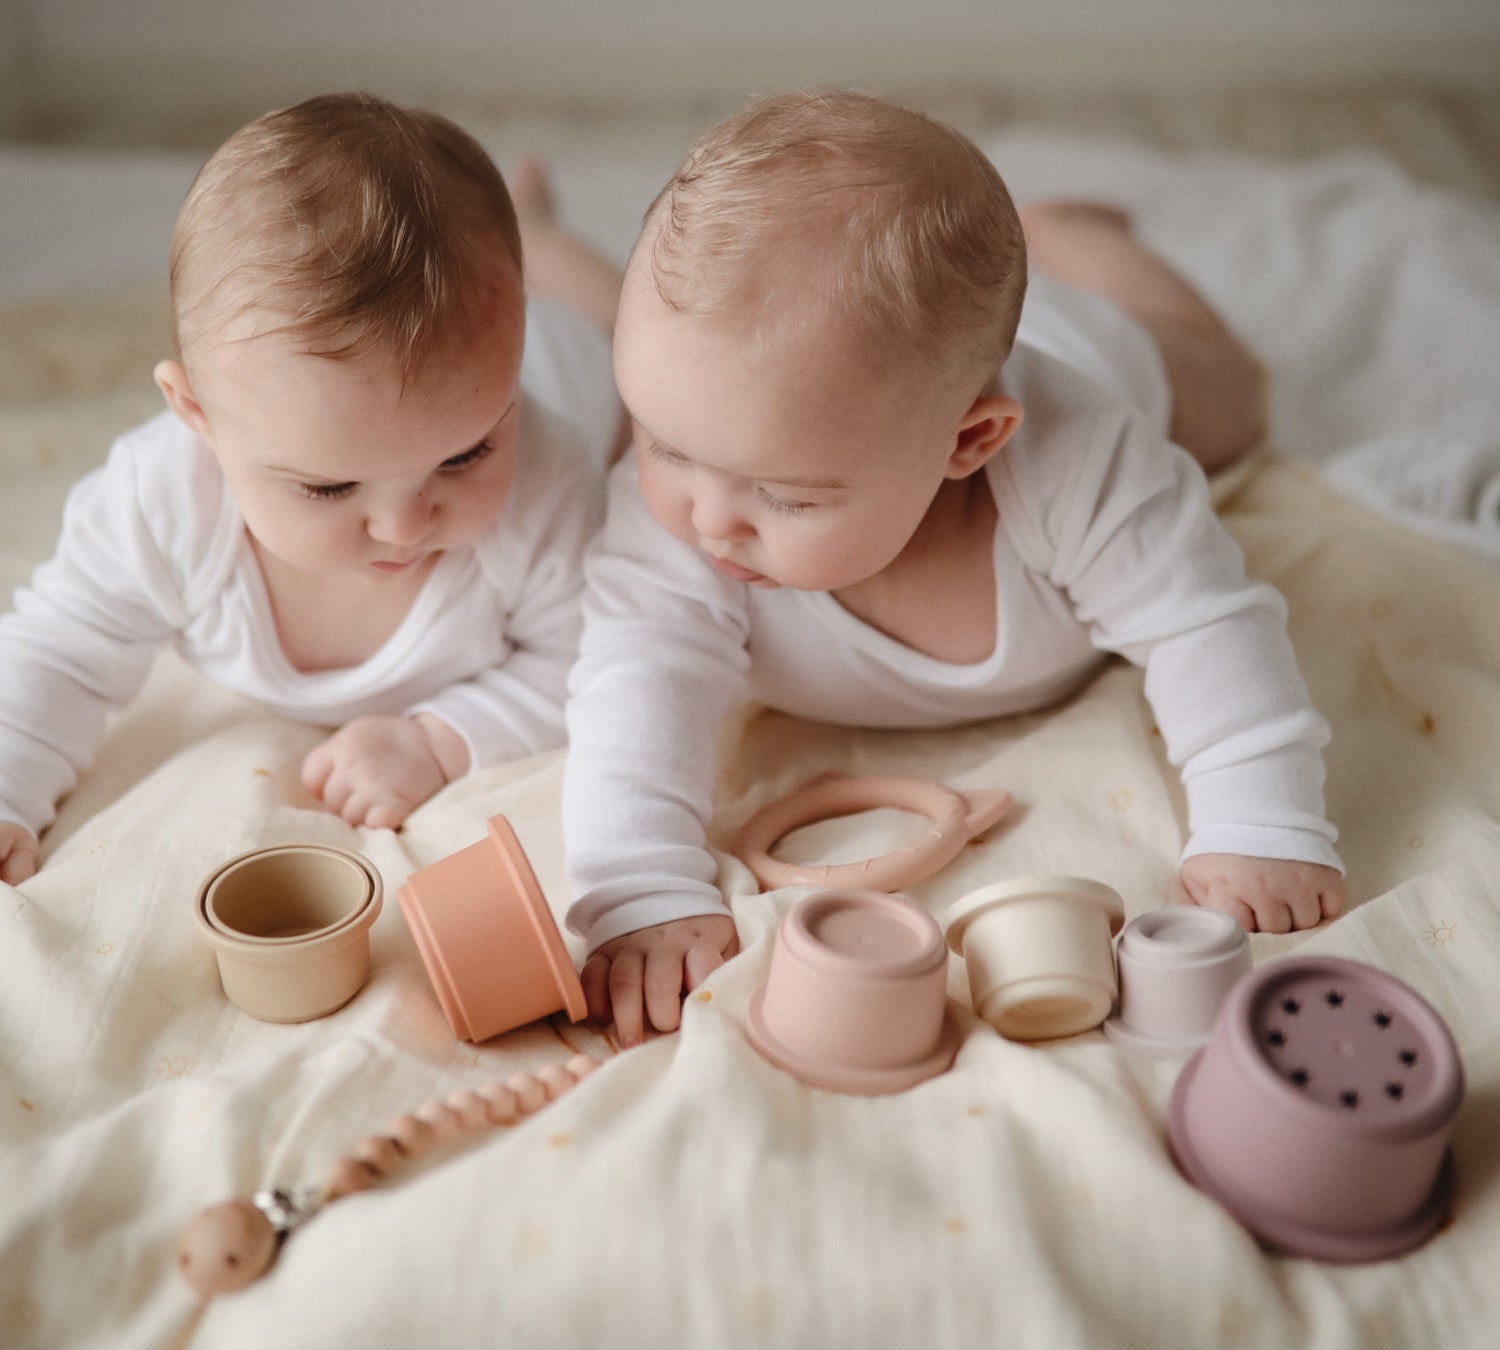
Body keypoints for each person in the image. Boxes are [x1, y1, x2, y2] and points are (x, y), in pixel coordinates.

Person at [561, 89, 1345, 1046]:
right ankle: (540, 240)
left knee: (1232, 394)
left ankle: (1070, 236)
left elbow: (1208, 626)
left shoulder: (1087, 466)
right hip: (865, 374)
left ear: (969, 441)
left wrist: (1258, 821)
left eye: (788, 496)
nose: (706, 517)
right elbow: (634, 685)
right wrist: (640, 887)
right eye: (662, 443)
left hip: (1100, 352)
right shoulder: (676, 523)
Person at [0, 92, 625, 885]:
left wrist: (442, 738)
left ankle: (534, 234)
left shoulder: (548, 479)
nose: (405, 525)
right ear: (197, 414)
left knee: (615, 332)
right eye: (329, 488)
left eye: (466, 457)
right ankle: (526, 237)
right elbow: (59, 650)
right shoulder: (159, 505)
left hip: (567, 369)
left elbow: (587, 660)